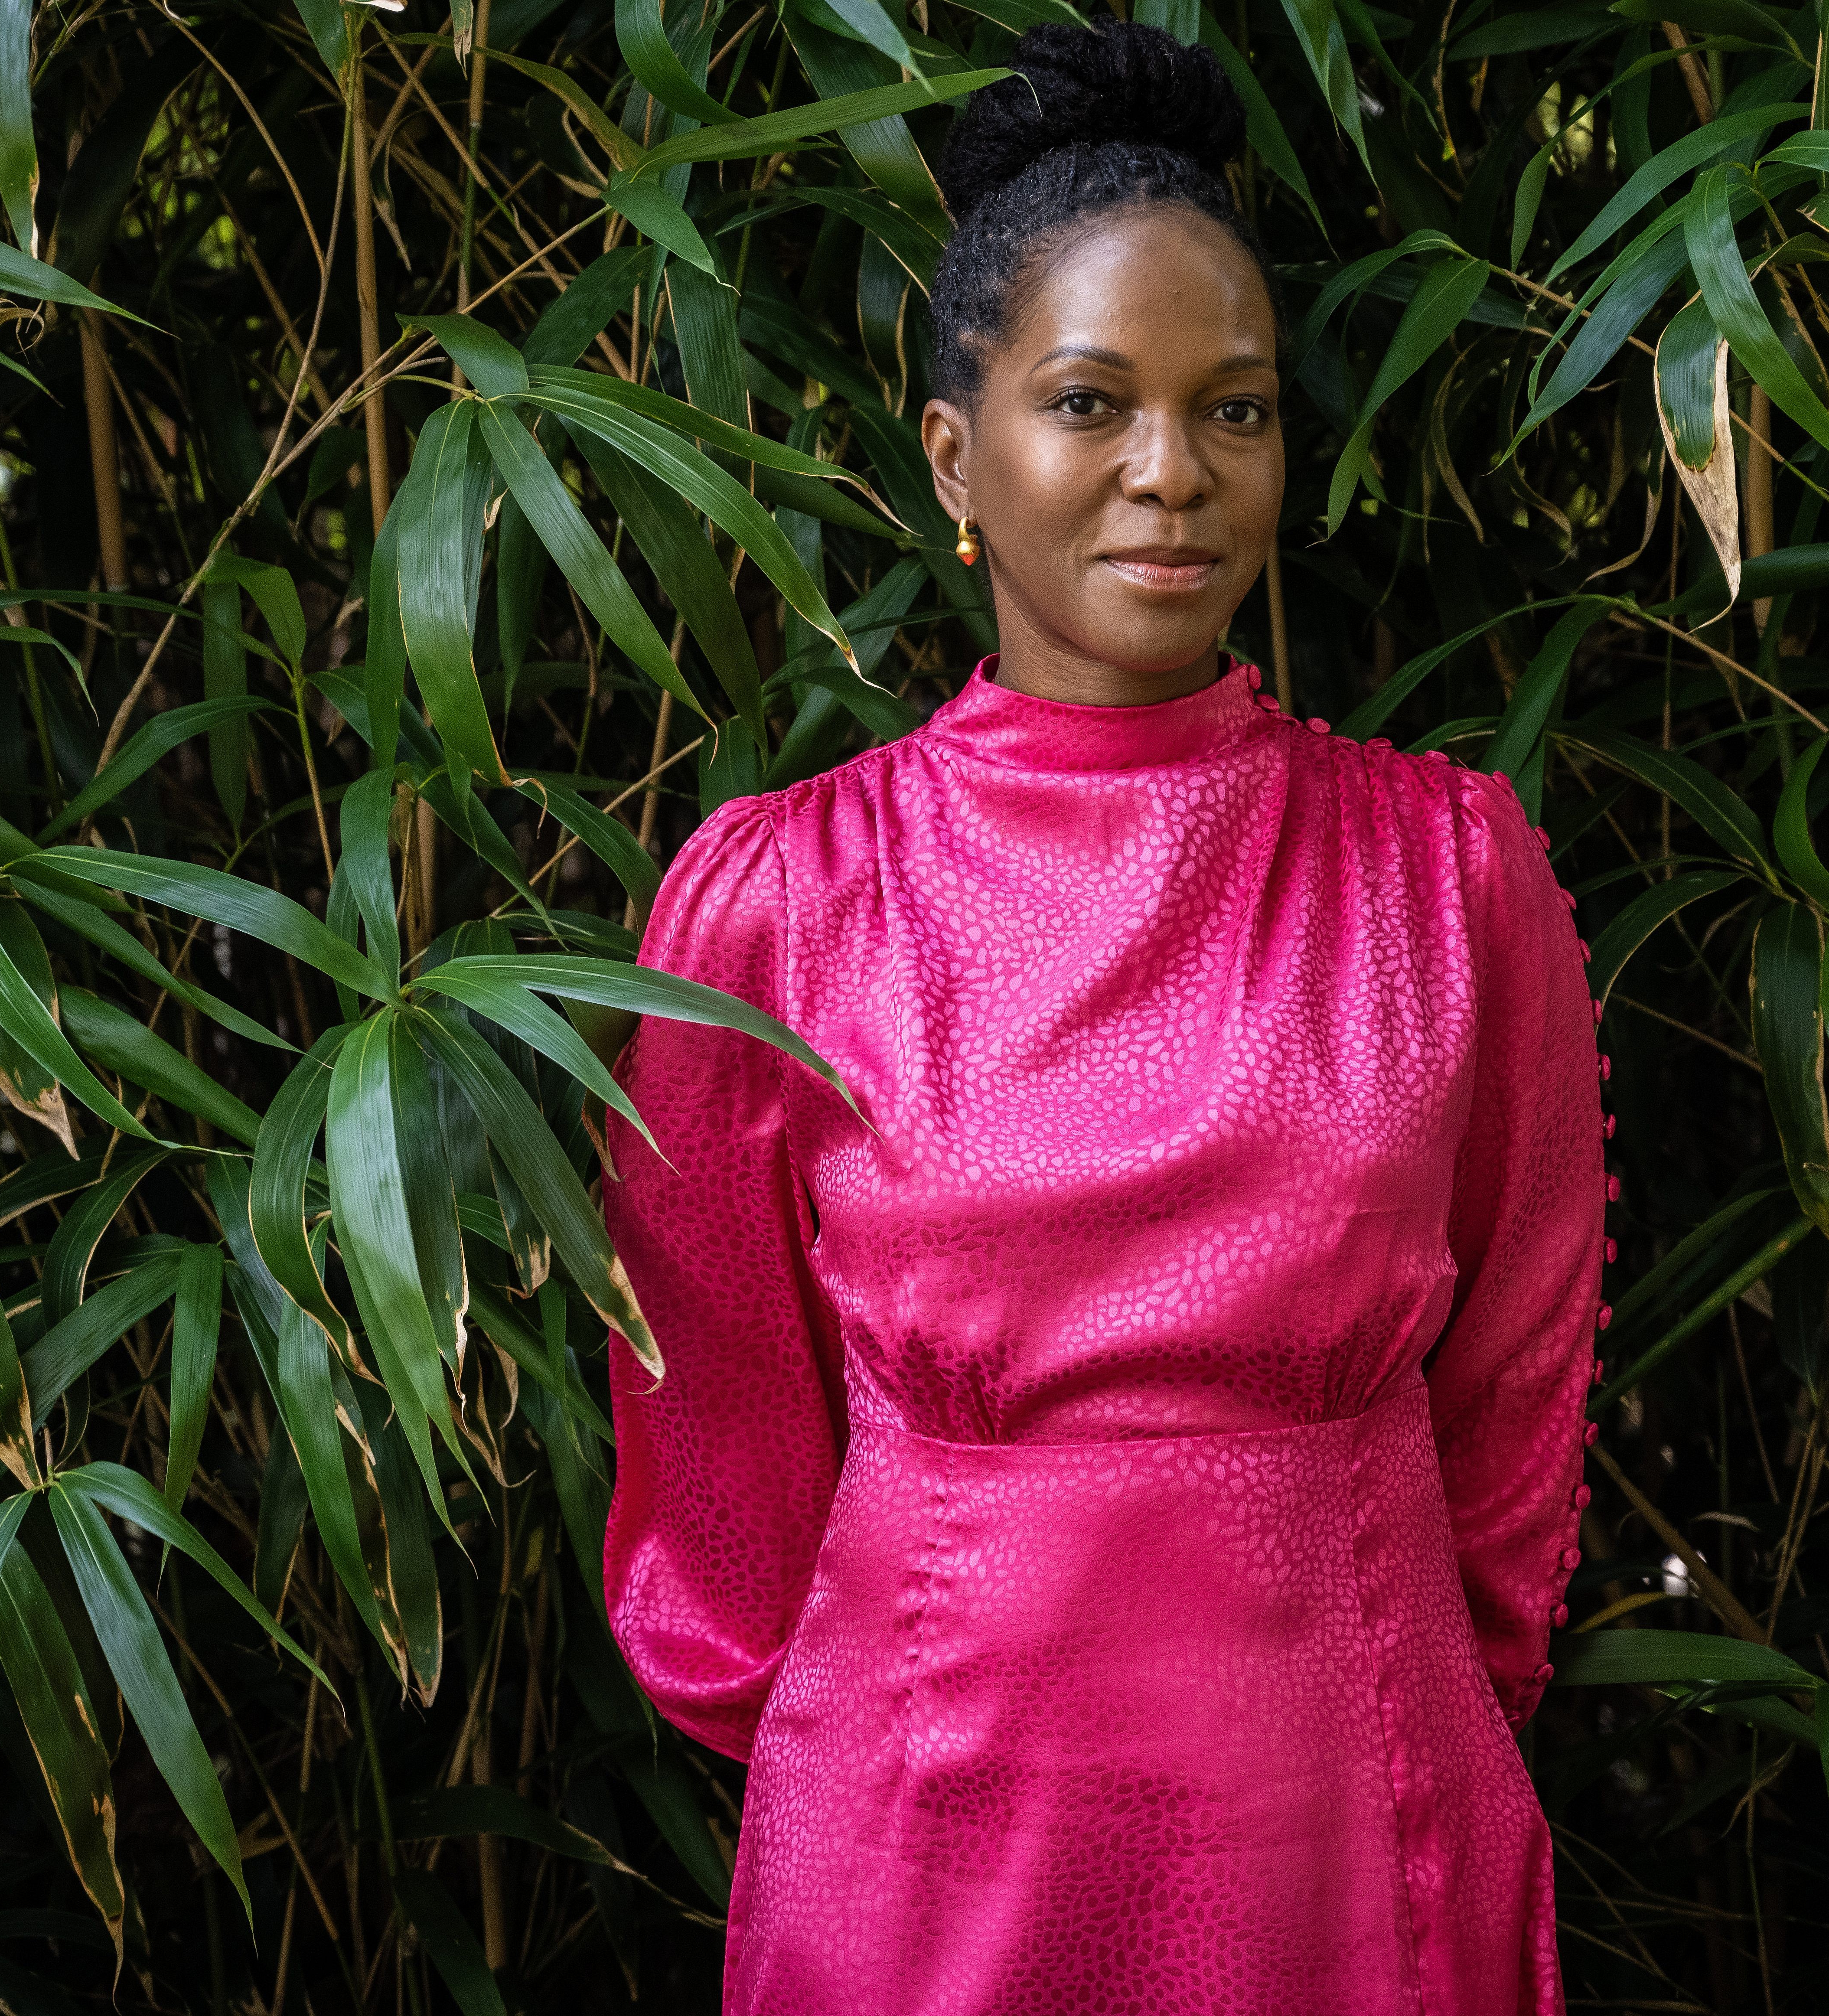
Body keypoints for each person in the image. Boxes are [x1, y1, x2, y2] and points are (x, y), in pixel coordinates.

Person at [592, 20, 1610, 2011]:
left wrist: (1411, 1680)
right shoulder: (785, 904)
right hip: (926, 1842)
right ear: (955, 453)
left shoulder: (1447, 871)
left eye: (1234, 410)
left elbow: (1519, 1364)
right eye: (1092, 402)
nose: (1174, 472)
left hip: (1359, 1808)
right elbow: (714, 1455)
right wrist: (879, 1706)